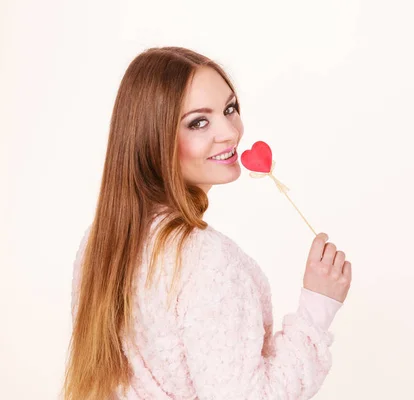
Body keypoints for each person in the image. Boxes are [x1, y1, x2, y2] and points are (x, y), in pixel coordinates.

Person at [62, 46, 352, 400]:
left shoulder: (98, 242)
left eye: (230, 109)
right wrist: (316, 309)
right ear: (155, 139)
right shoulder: (206, 259)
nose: (230, 132)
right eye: (199, 121)